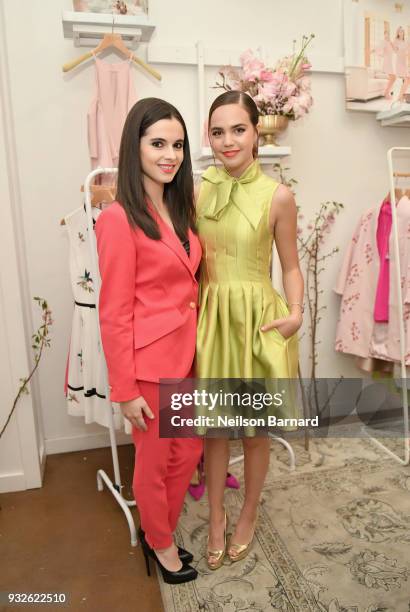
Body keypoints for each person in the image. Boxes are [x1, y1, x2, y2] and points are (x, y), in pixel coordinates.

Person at [95, 98, 203, 584]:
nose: (170, 154)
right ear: (133, 146)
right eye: (158, 143)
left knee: (189, 452)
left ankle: (160, 529)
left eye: (177, 144)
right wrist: (125, 389)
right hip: (149, 365)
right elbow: (114, 310)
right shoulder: (117, 219)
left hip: (188, 352)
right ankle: (160, 544)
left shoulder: (181, 206)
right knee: (155, 461)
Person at [195, 91, 304, 569]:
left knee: (255, 431)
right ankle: (216, 515)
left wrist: (297, 311)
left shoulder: (278, 195)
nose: (227, 141)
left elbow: (292, 266)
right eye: (217, 131)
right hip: (212, 320)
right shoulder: (198, 189)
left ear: (256, 131)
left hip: (258, 320)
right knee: (215, 432)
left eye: (237, 129)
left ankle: (249, 511)